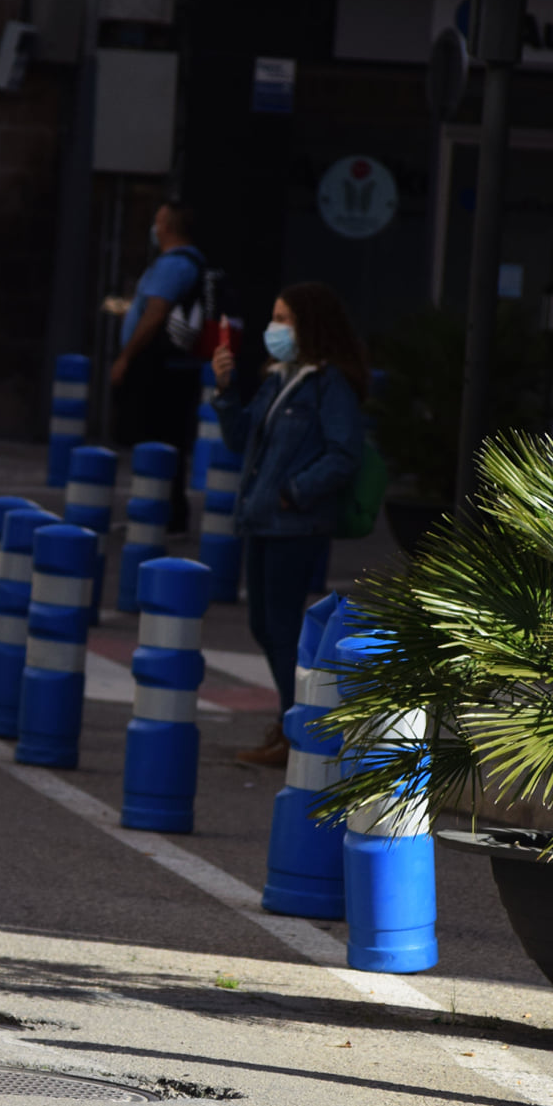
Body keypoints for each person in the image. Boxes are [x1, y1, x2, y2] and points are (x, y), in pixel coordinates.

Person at [210, 282, 367, 768]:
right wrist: (225, 390)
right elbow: (240, 439)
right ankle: (291, 721)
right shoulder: (280, 379)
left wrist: (292, 491)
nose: (273, 328)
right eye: (274, 318)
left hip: (294, 525)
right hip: (262, 521)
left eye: (284, 319)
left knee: (280, 627)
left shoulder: (328, 385)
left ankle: (295, 726)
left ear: (308, 327)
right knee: (264, 624)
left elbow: (344, 454)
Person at [109, 200, 208, 527]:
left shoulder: (174, 265)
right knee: (163, 440)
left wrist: (126, 357)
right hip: (167, 369)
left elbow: (155, 314)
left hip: (158, 370)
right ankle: (156, 512)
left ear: (167, 226)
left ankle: (162, 515)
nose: (154, 226)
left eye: (157, 220)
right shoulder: (185, 263)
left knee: (157, 440)